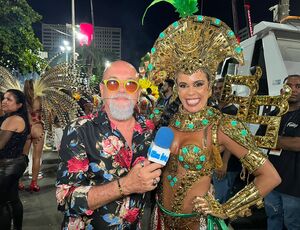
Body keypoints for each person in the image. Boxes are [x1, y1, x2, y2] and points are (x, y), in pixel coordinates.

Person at [145, 14, 281, 229]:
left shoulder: (223, 126)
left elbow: (270, 176)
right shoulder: (169, 122)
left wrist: (226, 209)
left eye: (198, 84)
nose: (191, 92)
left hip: (197, 223)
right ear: (177, 89)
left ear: (209, 87)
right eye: (183, 85)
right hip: (160, 220)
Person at [56, 60, 163, 229]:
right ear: (102, 89)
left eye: (130, 84)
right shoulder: (78, 130)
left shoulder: (148, 129)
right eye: (113, 83)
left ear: (138, 92)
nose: (121, 90)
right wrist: (126, 185)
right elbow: (66, 199)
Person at [258, 74, 300, 230]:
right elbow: (259, 138)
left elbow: (298, 144)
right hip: (271, 181)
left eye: (298, 86)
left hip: (294, 186)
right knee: (273, 218)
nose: (294, 90)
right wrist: (286, 141)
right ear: (283, 90)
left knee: (292, 223)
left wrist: (273, 140)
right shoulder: (274, 114)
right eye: (289, 86)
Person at [0, 89, 30, 230]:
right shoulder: (19, 118)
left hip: (7, 166)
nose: (4, 101)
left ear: (19, 105)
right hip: (16, 163)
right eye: (4, 98)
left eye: (9, 99)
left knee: (2, 204)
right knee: (13, 199)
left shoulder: (12, 120)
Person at [211, 78, 244, 204]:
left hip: (227, 166)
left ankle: (220, 223)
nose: (219, 91)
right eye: (216, 88)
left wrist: (223, 163)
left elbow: (232, 140)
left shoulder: (234, 112)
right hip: (212, 162)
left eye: (222, 88)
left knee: (220, 201)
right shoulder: (212, 110)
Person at [23, 79, 45, 192]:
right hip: (38, 128)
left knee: (23, 156)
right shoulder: (39, 99)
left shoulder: (22, 100)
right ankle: (34, 183)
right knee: (36, 157)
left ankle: (19, 182)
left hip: (26, 129)